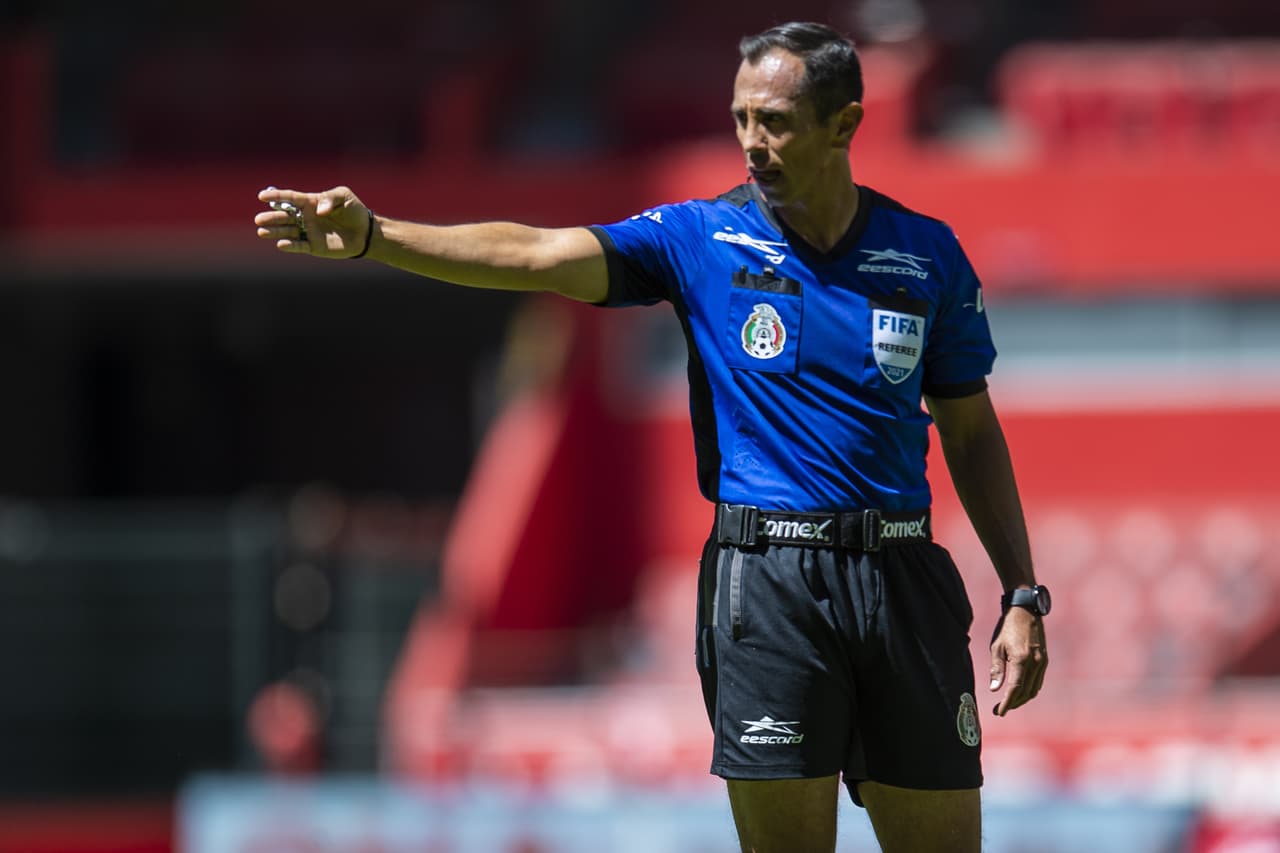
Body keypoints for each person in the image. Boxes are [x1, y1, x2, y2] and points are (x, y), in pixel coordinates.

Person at [254, 21, 1048, 853]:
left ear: (844, 125)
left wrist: (1022, 591)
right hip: (770, 586)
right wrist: (380, 236)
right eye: (741, 118)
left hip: (903, 580)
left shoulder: (926, 255)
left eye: (774, 120)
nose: (752, 142)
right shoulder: (699, 239)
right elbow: (537, 254)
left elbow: (970, 427)